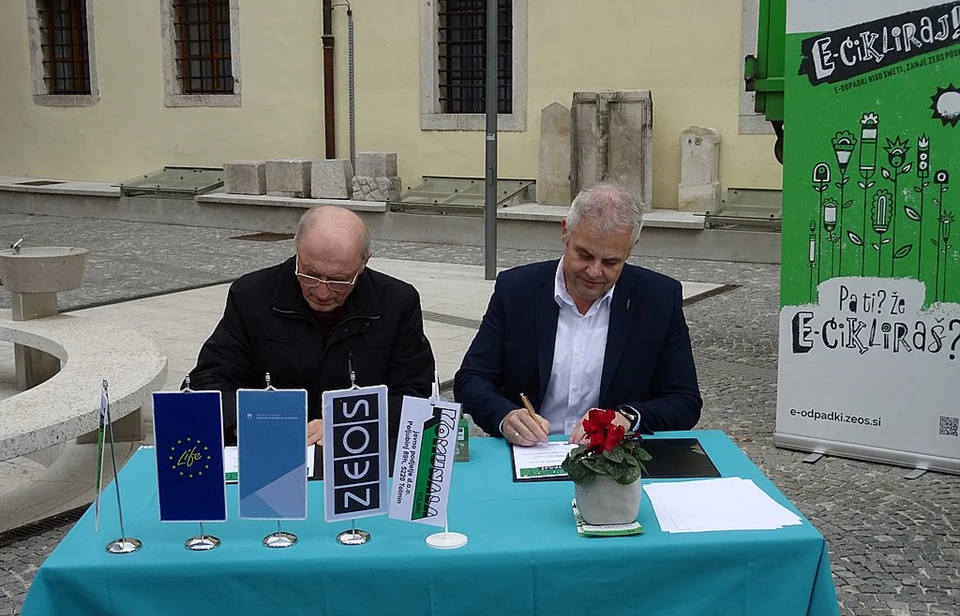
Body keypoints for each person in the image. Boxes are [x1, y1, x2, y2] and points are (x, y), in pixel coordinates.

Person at [454, 184, 701, 445]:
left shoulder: (659, 298)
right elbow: (472, 379)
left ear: (631, 247)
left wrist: (626, 418)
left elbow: (684, 401)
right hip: (531, 450)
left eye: (610, 262)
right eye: (584, 255)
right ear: (565, 232)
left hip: (613, 459)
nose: (594, 272)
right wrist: (506, 417)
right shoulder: (517, 289)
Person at [186, 205, 435, 447]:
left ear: (364, 263)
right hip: (270, 447)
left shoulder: (397, 301)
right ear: (297, 249)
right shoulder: (251, 295)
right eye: (310, 274)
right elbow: (208, 380)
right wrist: (244, 423)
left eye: (339, 280)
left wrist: (349, 422)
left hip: (360, 450)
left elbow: (416, 395)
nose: (322, 291)